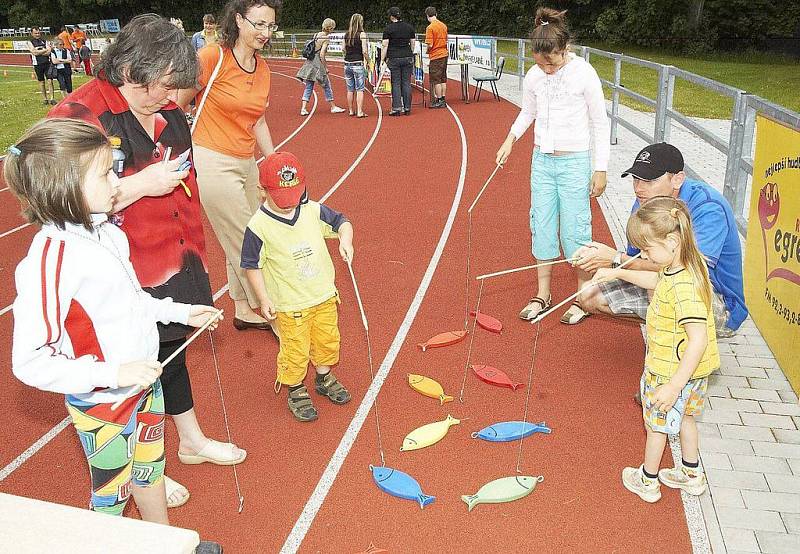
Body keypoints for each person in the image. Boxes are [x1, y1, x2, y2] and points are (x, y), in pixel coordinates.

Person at [50, 13, 247, 510]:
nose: (169, 97)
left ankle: (191, 440)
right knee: (133, 369)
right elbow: (50, 200)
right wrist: (137, 186)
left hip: (175, 258)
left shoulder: (166, 110)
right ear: (129, 71)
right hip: (121, 273)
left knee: (169, 352)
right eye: (161, 86)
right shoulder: (78, 117)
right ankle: (143, 473)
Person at [6, 118, 223, 533]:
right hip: (104, 404)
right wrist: (112, 374)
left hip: (144, 384)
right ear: (65, 187)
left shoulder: (105, 232)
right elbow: (29, 361)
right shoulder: (49, 261)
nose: (118, 181)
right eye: (105, 172)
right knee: (110, 497)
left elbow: (128, 300)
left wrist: (179, 311)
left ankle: (161, 541)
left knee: (150, 471)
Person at [592, 197, 719, 503]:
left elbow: (697, 338)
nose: (644, 255)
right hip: (694, 374)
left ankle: (647, 480)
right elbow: (655, 279)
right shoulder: (683, 265)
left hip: (669, 372)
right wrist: (618, 272)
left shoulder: (683, 286)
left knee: (656, 427)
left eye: (648, 249)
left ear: (673, 241)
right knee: (686, 419)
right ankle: (691, 474)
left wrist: (673, 385)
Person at [495, 7, 609, 324]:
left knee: (576, 230)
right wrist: (510, 139)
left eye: (553, 61)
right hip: (542, 161)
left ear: (565, 49)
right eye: (541, 62)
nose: (547, 68)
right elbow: (527, 112)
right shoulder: (534, 76)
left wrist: (600, 167)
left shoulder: (584, 73)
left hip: (575, 162)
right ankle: (543, 293)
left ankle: (583, 297)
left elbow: (601, 123)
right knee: (542, 226)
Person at [176, 0, 281, 334]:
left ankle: (243, 310)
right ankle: (276, 314)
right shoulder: (212, 57)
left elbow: (258, 119)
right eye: (259, 24)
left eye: (271, 26)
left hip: (246, 161)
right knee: (248, 241)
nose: (266, 33)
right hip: (210, 160)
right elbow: (176, 103)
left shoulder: (262, 68)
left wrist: (273, 163)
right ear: (238, 19)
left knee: (245, 234)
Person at [575, 143, 747, 337]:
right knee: (588, 294)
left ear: (677, 179)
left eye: (649, 181)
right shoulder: (646, 201)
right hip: (669, 279)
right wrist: (598, 258)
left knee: (662, 289)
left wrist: (615, 260)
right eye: (636, 179)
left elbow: (689, 270)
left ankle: (686, 346)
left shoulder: (708, 207)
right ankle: (669, 335)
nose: (638, 188)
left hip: (718, 299)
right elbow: (637, 259)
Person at [241, 152, 354, 422]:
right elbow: (251, 265)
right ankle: (295, 387)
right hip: (291, 306)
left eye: (293, 196)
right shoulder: (258, 227)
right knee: (295, 349)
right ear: (262, 192)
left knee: (327, 341)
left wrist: (345, 241)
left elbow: (342, 222)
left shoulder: (313, 210)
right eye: (281, 199)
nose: (289, 205)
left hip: (324, 297)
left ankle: (324, 377)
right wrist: (263, 298)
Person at [296, 18, 346, 116]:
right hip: (317, 64)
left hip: (310, 63)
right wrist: (325, 67)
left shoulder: (316, 35)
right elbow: (322, 54)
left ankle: (303, 108)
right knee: (326, 85)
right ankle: (333, 107)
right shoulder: (326, 38)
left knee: (309, 86)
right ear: (330, 28)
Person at [381, 7, 416, 116]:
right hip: (407, 56)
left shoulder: (388, 29)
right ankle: (407, 108)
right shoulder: (409, 27)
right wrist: (410, 52)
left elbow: (384, 45)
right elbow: (413, 43)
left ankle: (396, 108)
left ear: (391, 16)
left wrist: (382, 59)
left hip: (394, 57)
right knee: (406, 82)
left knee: (395, 83)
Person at [343, 13, 369, 118]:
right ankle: (359, 111)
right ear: (360, 22)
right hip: (358, 63)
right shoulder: (362, 34)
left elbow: (343, 49)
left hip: (347, 63)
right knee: (360, 89)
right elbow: (365, 51)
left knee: (350, 89)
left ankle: (350, 110)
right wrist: (369, 60)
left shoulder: (346, 34)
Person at [424, 6, 448, 108]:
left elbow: (430, 44)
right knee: (443, 78)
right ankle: (443, 98)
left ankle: (438, 100)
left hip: (436, 55)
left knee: (436, 79)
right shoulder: (443, 26)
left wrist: (427, 51)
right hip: (444, 53)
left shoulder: (430, 28)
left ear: (427, 16)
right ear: (436, 14)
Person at [28, 27, 56, 105]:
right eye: (35, 33)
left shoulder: (45, 41)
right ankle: (45, 99)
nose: (37, 34)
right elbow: (34, 53)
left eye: (38, 33)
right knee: (41, 82)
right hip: (37, 64)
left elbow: (48, 52)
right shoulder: (30, 42)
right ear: (32, 34)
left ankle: (52, 98)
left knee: (50, 81)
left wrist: (39, 51)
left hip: (47, 63)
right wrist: (44, 50)